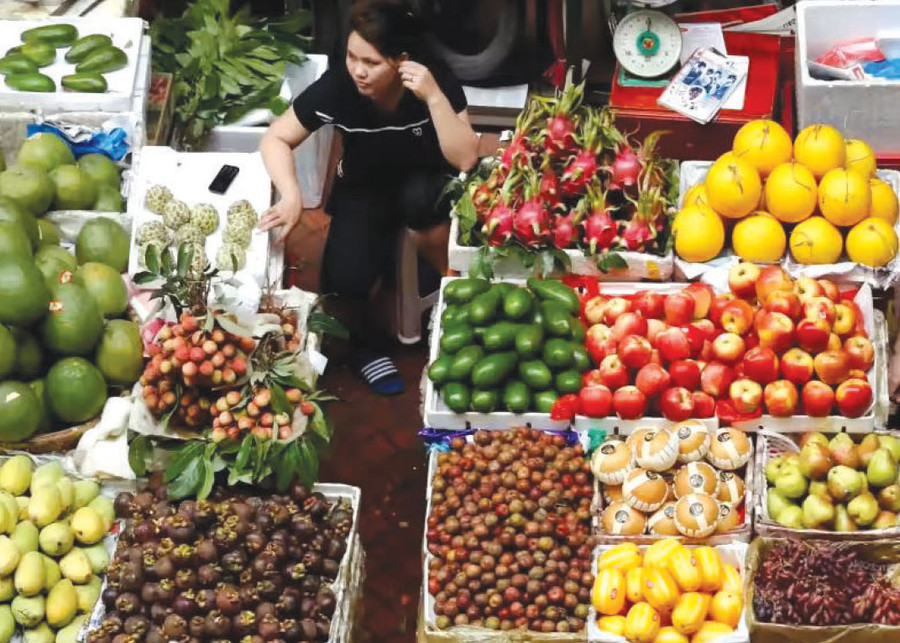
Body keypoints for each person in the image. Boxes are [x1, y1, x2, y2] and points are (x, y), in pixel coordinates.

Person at [258, 0, 479, 395]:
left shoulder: (433, 79)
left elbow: (465, 156)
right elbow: (276, 137)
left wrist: (433, 98)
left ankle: (450, 298)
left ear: (401, 61)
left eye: (371, 62)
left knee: (423, 203)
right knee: (344, 280)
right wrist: (291, 195)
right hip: (365, 185)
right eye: (351, 56)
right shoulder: (339, 87)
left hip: (424, 182)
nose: (358, 70)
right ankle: (364, 349)